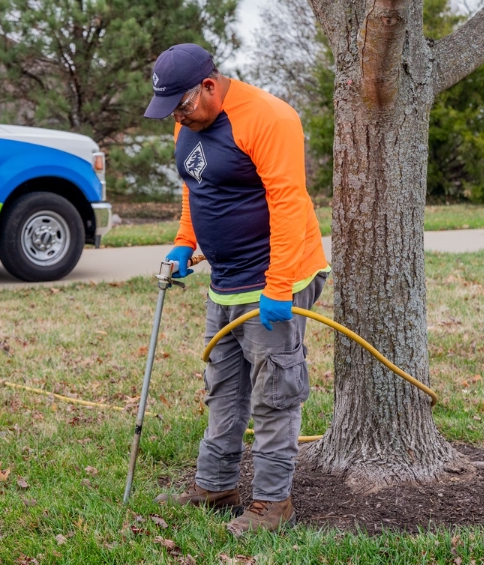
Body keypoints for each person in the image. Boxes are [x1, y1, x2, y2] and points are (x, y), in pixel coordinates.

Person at [145, 43, 330, 537]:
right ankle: (216, 484)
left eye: (182, 106)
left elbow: (289, 204)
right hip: (224, 280)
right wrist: (186, 242)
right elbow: (194, 185)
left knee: (275, 394)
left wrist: (277, 287)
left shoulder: (269, 117)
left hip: (277, 278)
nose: (178, 119)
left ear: (209, 85)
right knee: (223, 388)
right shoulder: (190, 121)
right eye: (171, 111)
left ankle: (273, 505)